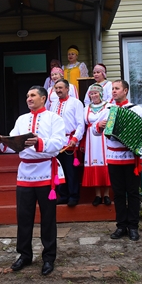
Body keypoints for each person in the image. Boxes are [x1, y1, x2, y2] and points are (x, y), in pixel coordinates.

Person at [0, 86, 66, 276]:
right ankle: (24, 255)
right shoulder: (21, 120)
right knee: (24, 217)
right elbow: (13, 144)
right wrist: (1, 140)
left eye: (32, 95)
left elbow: (59, 143)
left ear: (43, 99)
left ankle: (49, 258)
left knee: (48, 219)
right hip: (25, 174)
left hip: (46, 174)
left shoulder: (54, 119)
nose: (29, 99)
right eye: (27, 96)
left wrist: (39, 142)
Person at [97, 80, 142, 241]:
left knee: (133, 193)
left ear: (125, 91)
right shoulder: (107, 109)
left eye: (117, 89)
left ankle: (133, 227)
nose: (114, 91)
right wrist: (99, 126)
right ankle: (121, 226)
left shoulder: (136, 109)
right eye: (113, 89)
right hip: (113, 158)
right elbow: (96, 132)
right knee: (119, 193)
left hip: (131, 158)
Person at [49, 79, 85, 207]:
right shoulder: (53, 104)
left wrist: (75, 139)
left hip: (70, 142)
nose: (58, 90)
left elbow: (81, 123)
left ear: (67, 89)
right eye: (56, 88)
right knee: (59, 171)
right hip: (57, 142)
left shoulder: (76, 103)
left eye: (61, 88)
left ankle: (74, 196)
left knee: (71, 171)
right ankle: (63, 195)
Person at [81, 84, 112, 206]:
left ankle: (107, 195)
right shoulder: (86, 108)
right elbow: (83, 123)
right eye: (92, 94)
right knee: (94, 162)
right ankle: (98, 195)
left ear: (101, 94)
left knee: (105, 161)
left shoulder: (109, 106)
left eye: (96, 93)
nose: (94, 95)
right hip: (91, 139)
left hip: (104, 137)